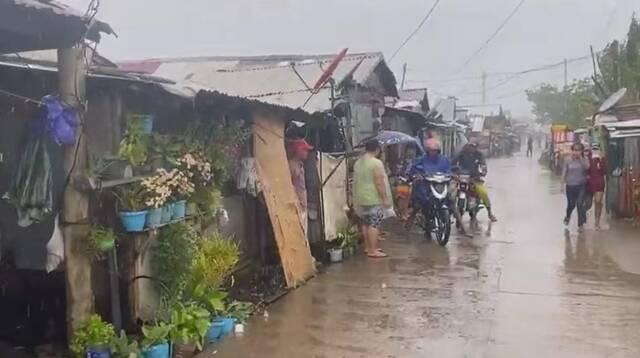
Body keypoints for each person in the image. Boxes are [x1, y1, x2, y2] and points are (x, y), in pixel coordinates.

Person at [408, 137, 470, 235]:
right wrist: (416, 175)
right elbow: (413, 170)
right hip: (425, 187)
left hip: (441, 186)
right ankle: (407, 227)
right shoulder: (421, 160)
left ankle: (463, 229)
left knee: (452, 204)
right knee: (417, 206)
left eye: (435, 151)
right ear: (427, 151)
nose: (433, 153)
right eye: (431, 151)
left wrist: (453, 175)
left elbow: (449, 170)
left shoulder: (444, 159)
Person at [353, 139, 391, 258]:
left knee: (365, 223)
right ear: (377, 149)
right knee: (374, 223)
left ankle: (368, 247)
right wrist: (385, 198)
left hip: (360, 197)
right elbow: (379, 182)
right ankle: (373, 250)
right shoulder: (376, 163)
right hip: (373, 197)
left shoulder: (358, 162)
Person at [452, 141, 498, 222]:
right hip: (461, 179)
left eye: (473, 146)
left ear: (476, 147)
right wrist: (453, 172)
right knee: (451, 192)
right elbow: (452, 164)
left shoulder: (479, 155)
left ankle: (490, 212)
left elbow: (483, 165)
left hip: (474, 178)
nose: (471, 148)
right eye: (469, 146)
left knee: (483, 192)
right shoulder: (460, 154)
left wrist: (483, 171)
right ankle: (448, 212)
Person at [287, 139, 313, 235]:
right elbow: (289, 185)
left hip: (302, 203)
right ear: (298, 150)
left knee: (303, 232)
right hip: (296, 205)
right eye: (305, 150)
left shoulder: (301, 165)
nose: (307, 152)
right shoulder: (291, 165)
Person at [563, 143, 590, 232]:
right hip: (570, 186)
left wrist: (580, 159)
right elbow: (564, 172)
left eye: (578, 150)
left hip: (581, 185)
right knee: (571, 204)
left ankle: (580, 224)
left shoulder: (584, 159)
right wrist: (561, 184)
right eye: (575, 150)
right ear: (572, 150)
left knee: (579, 204)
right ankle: (567, 217)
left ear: (581, 151)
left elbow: (587, 167)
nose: (576, 152)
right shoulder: (567, 160)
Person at [587, 145, 607, 229]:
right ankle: (583, 218)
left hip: (599, 184)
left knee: (597, 202)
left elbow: (605, 171)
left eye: (597, 149)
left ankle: (597, 222)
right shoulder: (588, 158)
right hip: (589, 184)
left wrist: (601, 161)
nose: (595, 151)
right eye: (594, 149)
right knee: (588, 203)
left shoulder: (602, 159)